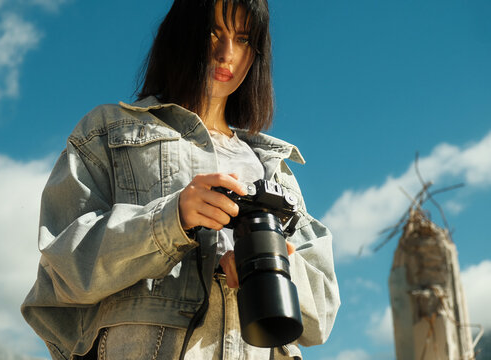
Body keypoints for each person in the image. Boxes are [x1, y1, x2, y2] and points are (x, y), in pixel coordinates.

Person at [21, 0, 340, 359]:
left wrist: (272, 262)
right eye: (212, 33)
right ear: (180, 36)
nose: (227, 53)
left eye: (244, 39)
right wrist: (171, 219)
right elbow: (64, 268)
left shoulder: (274, 169)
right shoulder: (108, 132)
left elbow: (322, 318)